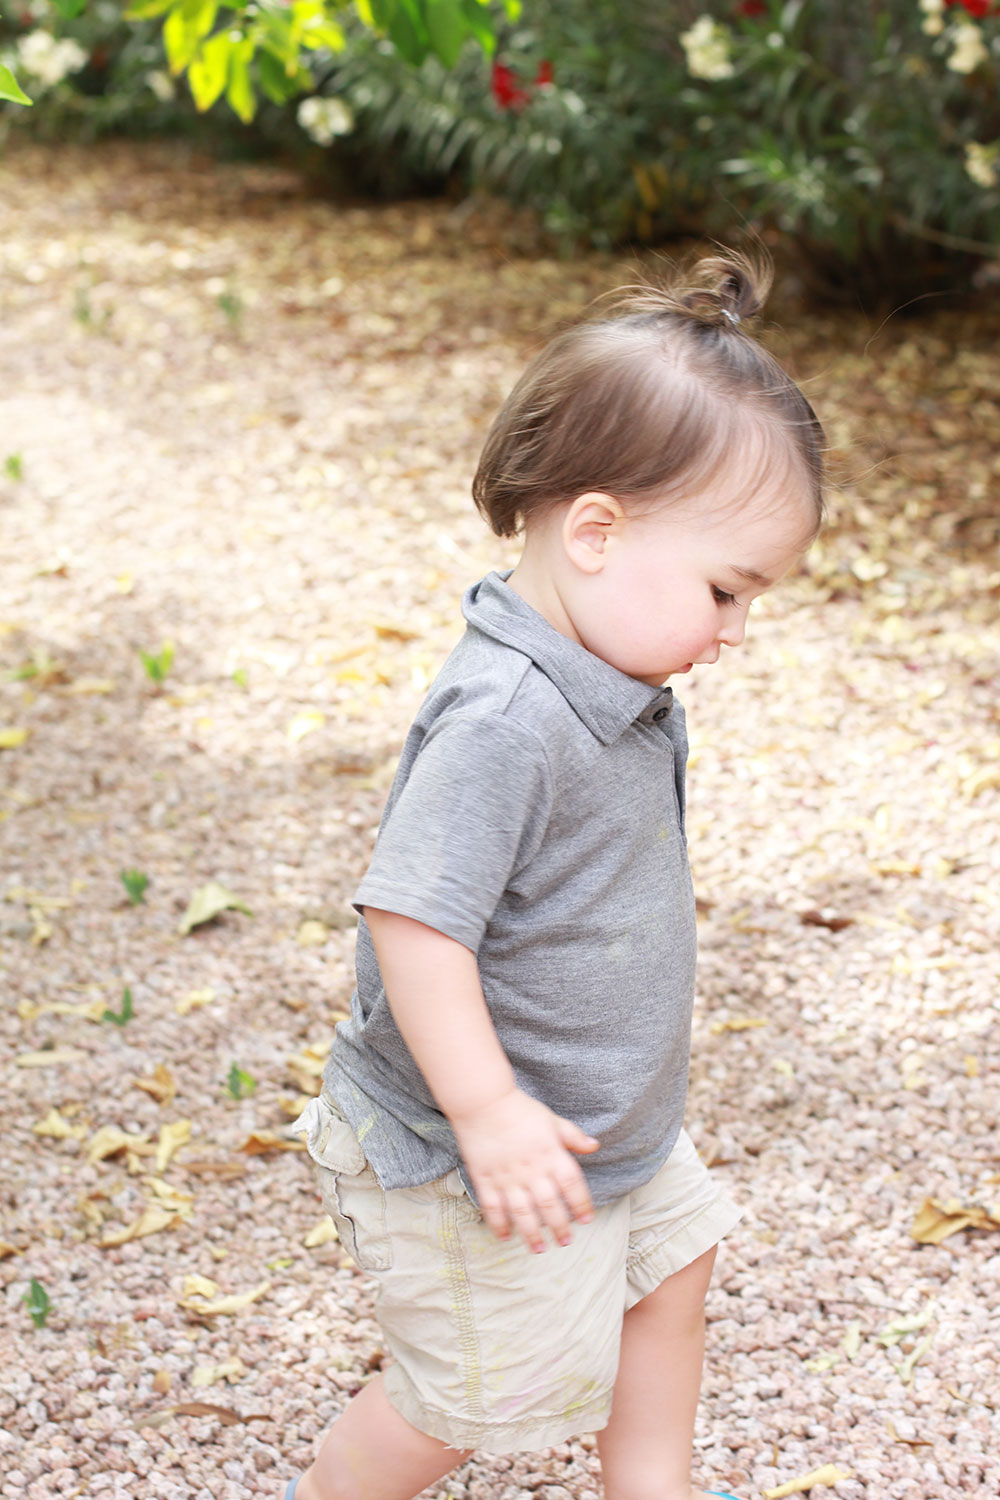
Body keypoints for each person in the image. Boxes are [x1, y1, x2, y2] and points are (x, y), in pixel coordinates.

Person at [286, 251, 825, 1500]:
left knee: (671, 1275)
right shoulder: (506, 718)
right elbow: (413, 919)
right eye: (726, 591)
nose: (735, 632)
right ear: (595, 532)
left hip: (606, 1129)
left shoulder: (619, 680)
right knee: (467, 1400)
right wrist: (486, 1112)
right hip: (486, 1147)